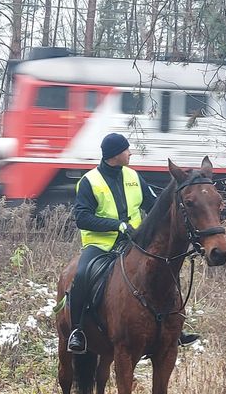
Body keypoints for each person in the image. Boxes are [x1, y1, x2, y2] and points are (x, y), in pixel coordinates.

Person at [66, 133, 199, 353]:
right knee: (81, 276)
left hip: (135, 244)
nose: (130, 153)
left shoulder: (134, 177)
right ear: (114, 155)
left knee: (165, 271)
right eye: (126, 150)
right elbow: (82, 218)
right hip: (100, 246)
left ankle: (173, 327)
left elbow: (155, 206)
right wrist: (117, 225)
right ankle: (77, 330)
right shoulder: (89, 181)